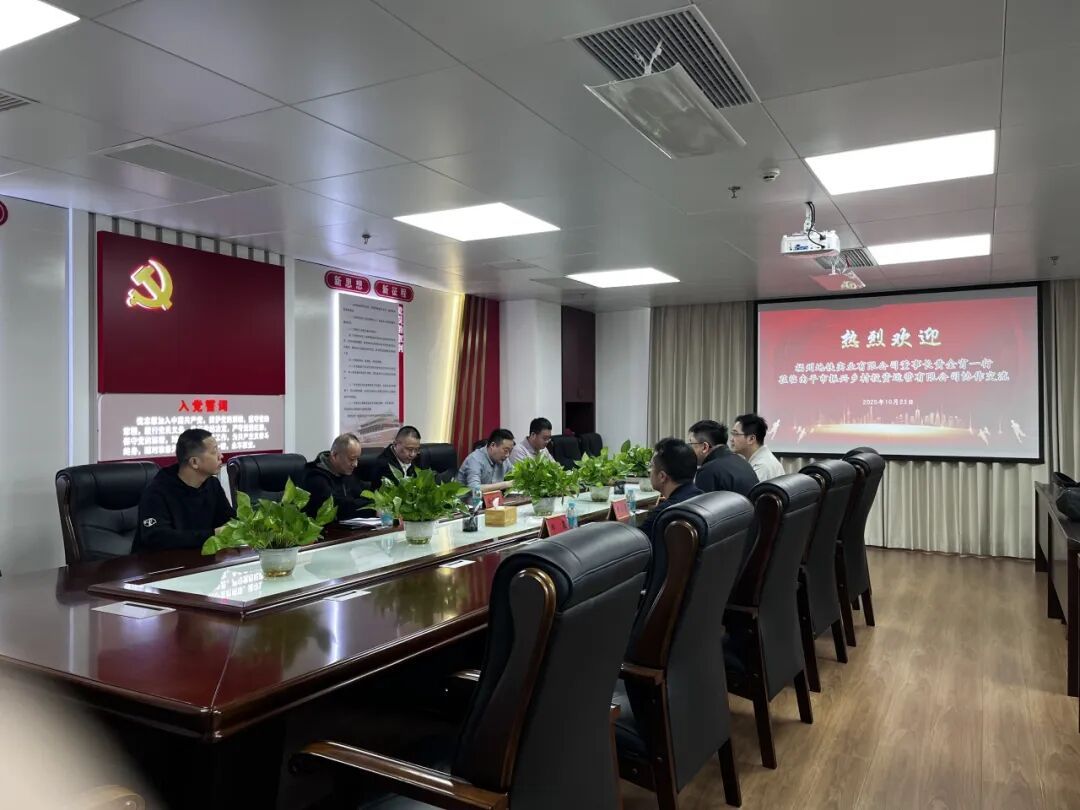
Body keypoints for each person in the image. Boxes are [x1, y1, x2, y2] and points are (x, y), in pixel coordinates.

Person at [132, 428, 234, 552]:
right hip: (159, 561)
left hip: (200, 558)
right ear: (194, 462)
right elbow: (157, 537)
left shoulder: (212, 484)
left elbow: (229, 519)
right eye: (214, 452)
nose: (221, 456)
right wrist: (212, 535)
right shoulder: (156, 491)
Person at [639, 438, 703, 540]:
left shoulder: (663, 514)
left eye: (651, 466)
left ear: (662, 476)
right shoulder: (703, 497)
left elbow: (635, 543)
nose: (649, 471)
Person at [303, 433, 373, 521]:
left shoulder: (345, 473)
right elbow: (337, 506)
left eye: (357, 459)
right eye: (352, 459)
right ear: (334, 455)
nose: (355, 464)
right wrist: (371, 510)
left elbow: (363, 492)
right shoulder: (316, 477)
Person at [688, 419, 757, 496]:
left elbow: (703, 503)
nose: (689, 449)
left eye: (691, 443)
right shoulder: (741, 461)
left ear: (705, 447)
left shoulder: (707, 471)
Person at [731, 413, 786, 481]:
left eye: (736, 434)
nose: (731, 439)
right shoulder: (762, 459)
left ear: (751, 439)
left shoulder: (762, 466)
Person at [370, 425, 423, 489]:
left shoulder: (417, 458)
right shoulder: (383, 464)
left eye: (416, 449)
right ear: (395, 444)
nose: (412, 454)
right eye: (409, 449)